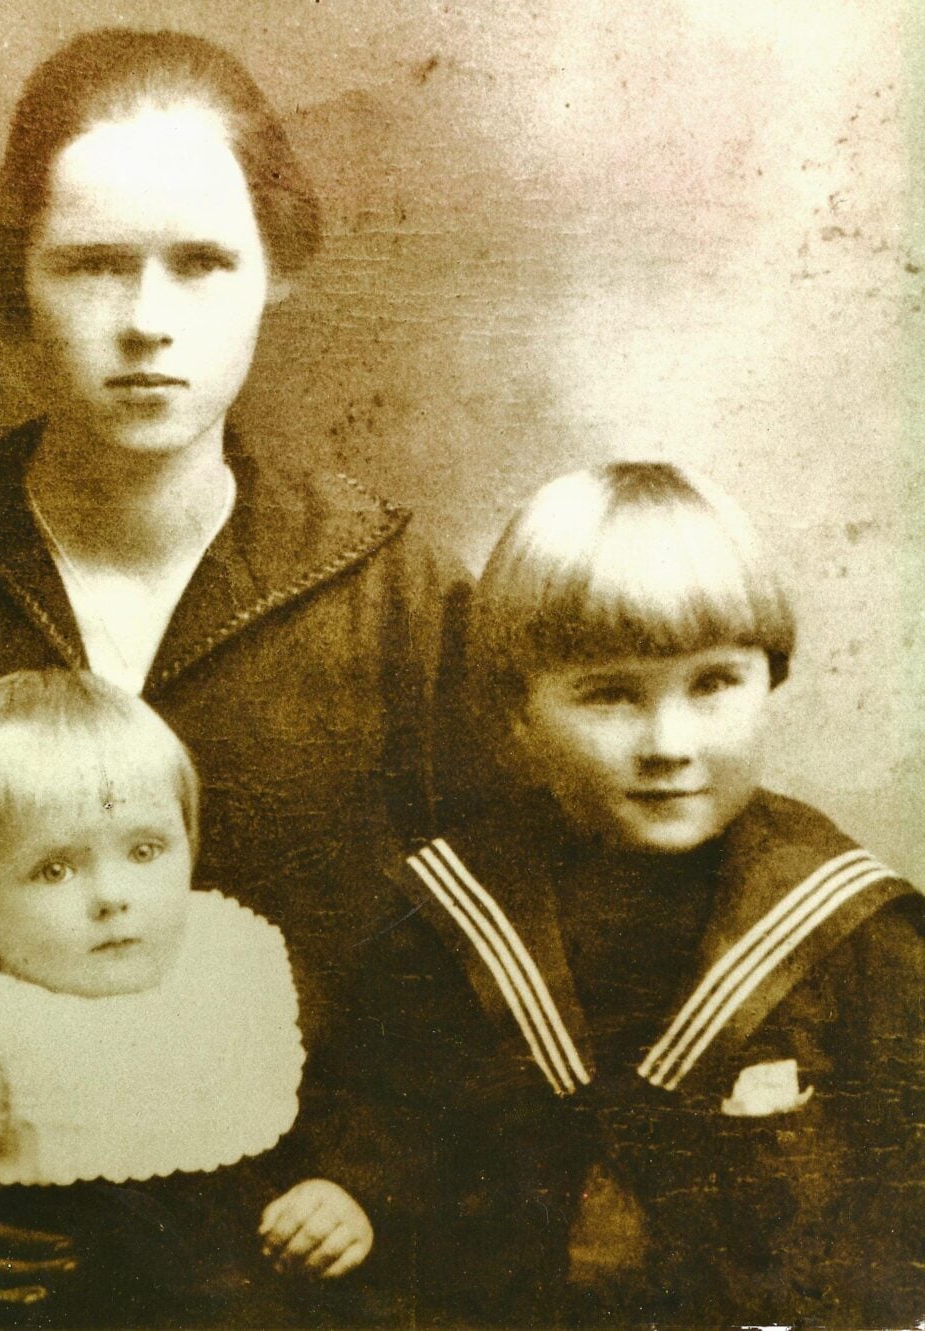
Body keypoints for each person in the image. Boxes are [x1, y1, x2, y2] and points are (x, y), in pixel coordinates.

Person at [0, 26, 465, 1319]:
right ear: (18, 278)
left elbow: (489, 962)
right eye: (89, 266)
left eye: (199, 262)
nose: (144, 321)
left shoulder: (399, 602)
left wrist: (374, 1178)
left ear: (275, 270)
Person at [370, 462, 923, 1326]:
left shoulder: (852, 928)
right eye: (610, 694)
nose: (668, 743)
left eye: (713, 683)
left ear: (770, 681)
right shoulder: (446, 921)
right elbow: (391, 1178)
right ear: (517, 710)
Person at [0, 669, 375, 1326]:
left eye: (145, 849)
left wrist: (339, 1193)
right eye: (54, 868)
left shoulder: (238, 973)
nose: (113, 895)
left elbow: (347, 1112)